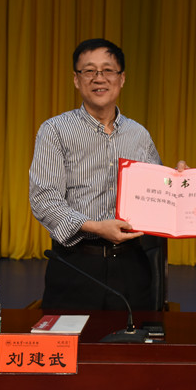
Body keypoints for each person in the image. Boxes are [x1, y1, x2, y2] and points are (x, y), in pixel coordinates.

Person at [29, 38, 161, 310]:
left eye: (108, 70)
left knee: (135, 335)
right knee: (69, 336)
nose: (99, 78)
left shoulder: (139, 134)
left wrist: (179, 183)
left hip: (132, 265)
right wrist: (94, 227)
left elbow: (158, 195)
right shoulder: (55, 131)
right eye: (89, 71)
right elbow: (44, 200)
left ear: (122, 78)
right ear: (76, 80)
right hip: (76, 263)